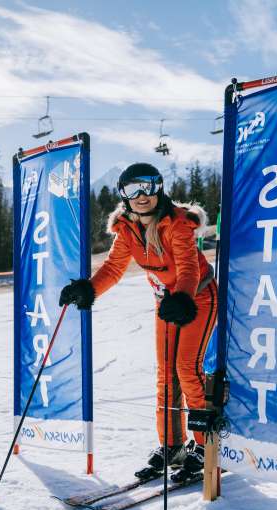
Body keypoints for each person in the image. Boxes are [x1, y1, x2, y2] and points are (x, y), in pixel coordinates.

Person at [59, 163, 216, 482]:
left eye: (148, 186)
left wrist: (183, 297)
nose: (141, 195)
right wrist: (89, 288)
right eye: (132, 189)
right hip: (166, 303)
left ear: (159, 188)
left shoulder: (177, 223)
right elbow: (114, 268)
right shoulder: (127, 229)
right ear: (123, 195)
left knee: (187, 368)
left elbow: (188, 267)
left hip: (196, 298)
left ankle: (206, 445)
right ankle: (172, 445)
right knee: (166, 375)